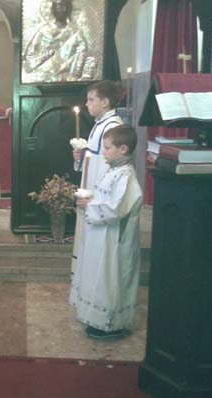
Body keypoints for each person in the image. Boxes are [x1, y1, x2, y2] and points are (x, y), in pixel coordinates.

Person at [69, 124, 143, 340]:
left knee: (109, 278)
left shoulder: (126, 176)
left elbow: (117, 208)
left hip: (114, 241)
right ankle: (96, 319)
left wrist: (89, 205)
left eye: (108, 148)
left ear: (123, 149)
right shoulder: (114, 171)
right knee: (98, 277)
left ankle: (110, 324)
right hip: (102, 237)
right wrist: (91, 198)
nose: (104, 152)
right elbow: (106, 198)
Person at [70, 80, 123, 278]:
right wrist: (82, 156)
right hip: (91, 192)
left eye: (91, 99)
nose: (87, 104)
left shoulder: (112, 127)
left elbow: (109, 166)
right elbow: (95, 158)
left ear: (106, 102)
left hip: (99, 198)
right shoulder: (100, 124)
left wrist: (94, 199)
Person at [23, 0, 96, 83]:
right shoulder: (44, 30)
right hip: (46, 74)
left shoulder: (75, 31)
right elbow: (30, 56)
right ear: (53, 9)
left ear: (68, 9)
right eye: (57, 6)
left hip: (68, 76)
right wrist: (46, 56)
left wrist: (69, 68)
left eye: (63, 5)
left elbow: (82, 52)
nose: (60, 9)